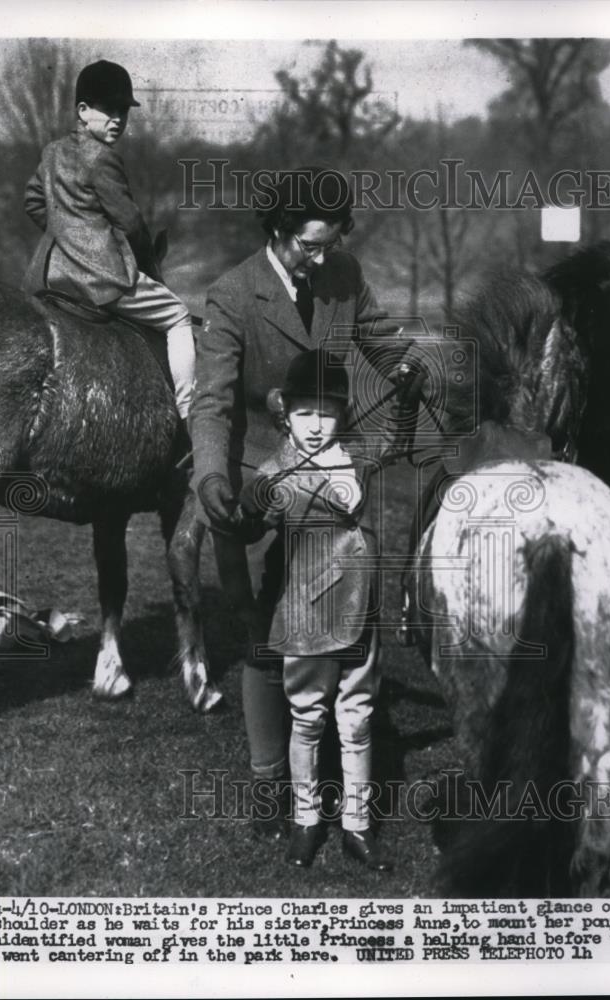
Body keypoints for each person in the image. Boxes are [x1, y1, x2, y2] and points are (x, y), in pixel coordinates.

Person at [189, 166, 408, 840]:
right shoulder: (232, 295)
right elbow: (214, 400)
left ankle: (328, 771)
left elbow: (384, 340)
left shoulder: (341, 274)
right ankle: (266, 780)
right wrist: (210, 482)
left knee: (332, 626)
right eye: (309, 246)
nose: (322, 259)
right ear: (279, 234)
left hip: (333, 491)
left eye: (330, 244)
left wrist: (414, 364)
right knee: (262, 635)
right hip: (254, 480)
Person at [234, 349, 394, 870]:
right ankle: (306, 821)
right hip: (306, 609)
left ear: (343, 414)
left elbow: (397, 434)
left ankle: (358, 826)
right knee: (307, 718)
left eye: (327, 412)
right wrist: (248, 506)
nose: (316, 425)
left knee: (358, 719)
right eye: (305, 413)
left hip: (360, 609)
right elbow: (253, 515)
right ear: (286, 414)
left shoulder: (358, 455)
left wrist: (407, 394)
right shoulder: (277, 466)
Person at [22, 59, 195, 421]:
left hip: (48, 277)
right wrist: (145, 264)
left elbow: (33, 202)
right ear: (82, 110)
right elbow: (130, 223)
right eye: (107, 109)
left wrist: (67, 232)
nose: (117, 118)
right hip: (99, 279)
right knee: (178, 315)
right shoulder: (103, 158)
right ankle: (188, 411)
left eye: (123, 111)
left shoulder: (52, 152)